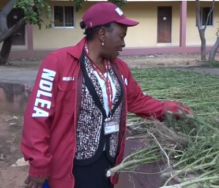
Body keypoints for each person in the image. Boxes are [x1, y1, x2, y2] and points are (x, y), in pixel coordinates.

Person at [21, 2, 193, 188]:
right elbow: (38, 115)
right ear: (102, 34)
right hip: (70, 166)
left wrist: (171, 109)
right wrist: (38, 163)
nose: (124, 43)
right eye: (121, 36)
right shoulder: (58, 63)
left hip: (108, 164)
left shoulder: (120, 69)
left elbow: (138, 100)